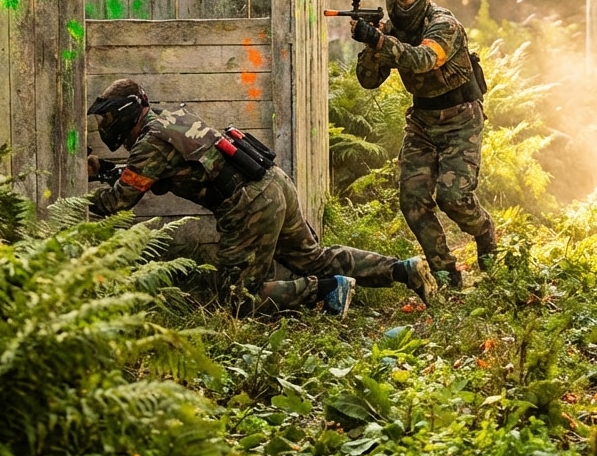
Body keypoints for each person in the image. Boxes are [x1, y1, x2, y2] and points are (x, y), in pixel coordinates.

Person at [86, 78, 437, 316]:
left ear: (126, 113)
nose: (105, 126)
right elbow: (155, 174)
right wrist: (105, 169)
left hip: (249, 204)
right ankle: (402, 269)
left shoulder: (150, 143)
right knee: (313, 258)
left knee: (239, 299)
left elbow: (119, 200)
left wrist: (76, 203)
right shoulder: (170, 120)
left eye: (108, 118)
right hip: (272, 182)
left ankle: (328, 289)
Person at [350, 0, 496, 290]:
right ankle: (446, 273)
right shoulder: (391, 31)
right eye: (393, 0)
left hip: (461, 119)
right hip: (422, 121)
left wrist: (379, 40)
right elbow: (368, 80)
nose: (399, 6)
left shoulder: (443, 24)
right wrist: (373, 45)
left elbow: (424, 59)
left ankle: (484, 230)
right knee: (412, 200)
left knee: (453, 197)